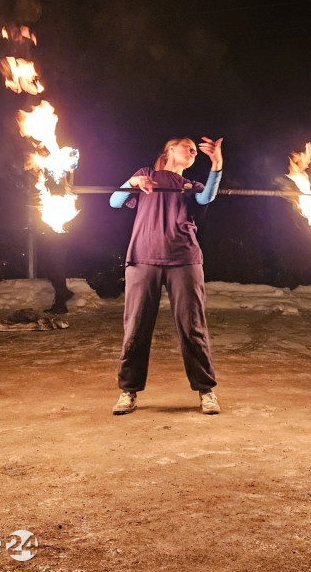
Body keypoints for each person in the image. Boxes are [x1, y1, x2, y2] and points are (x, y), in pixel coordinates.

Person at [109, 136, 223, 415]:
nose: (193, 151)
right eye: (187, 146)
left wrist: (216, 164)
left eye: (195, 150)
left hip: (184, 259)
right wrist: (132, 183)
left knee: (192, 327)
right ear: (171, 149)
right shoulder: (146, 175)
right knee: (136, 327)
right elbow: (114, 201)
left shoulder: (190, 186)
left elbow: (207, 197)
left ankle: (206, 390)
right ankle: (128, 391)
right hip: (142, 258)